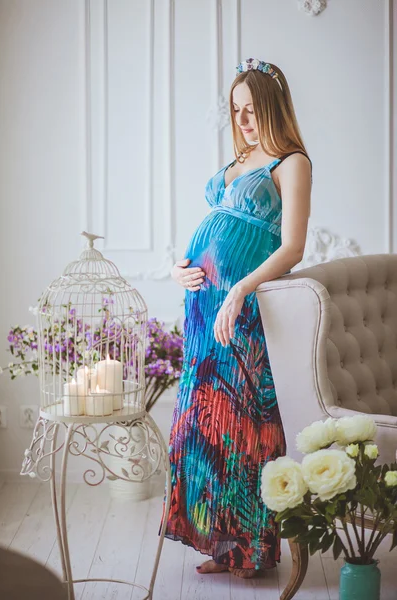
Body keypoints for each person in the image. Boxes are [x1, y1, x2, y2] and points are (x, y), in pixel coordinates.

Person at [158, 58, 312, 579]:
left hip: (242, 308)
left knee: (243, 421)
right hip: (204, 307)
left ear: (272, 107)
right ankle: (222, 544)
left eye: (252, 109)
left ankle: (254, 549)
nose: (243, 119)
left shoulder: (292, 162)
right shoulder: (240, 158)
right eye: (236, 109)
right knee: (206, 421)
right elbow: (215, 227)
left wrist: (243, 288)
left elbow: (291, 245)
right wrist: (182, 268)